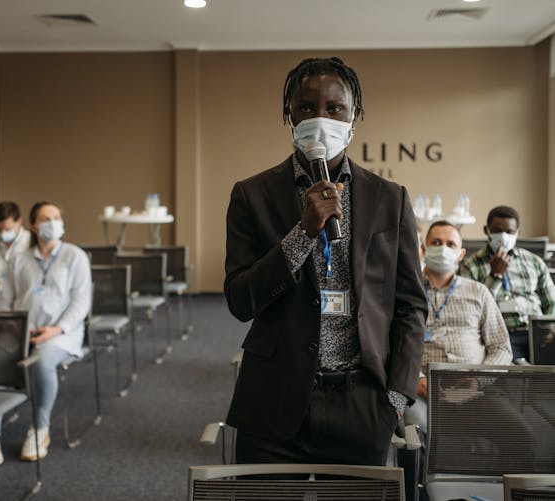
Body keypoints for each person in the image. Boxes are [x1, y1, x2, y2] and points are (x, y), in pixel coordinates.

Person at [224, 56, 426, 466]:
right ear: (289, 115)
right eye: (306, 107)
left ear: (355, 117)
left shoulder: (391, 198)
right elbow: (240, 301)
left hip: (362, 403)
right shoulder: (251, 195)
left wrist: (394, 398)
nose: (321, 118)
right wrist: (304, 233)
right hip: (273, 402)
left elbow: (411, 304)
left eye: (335, 108)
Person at [0, 201, 91, 478]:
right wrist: (14, 327)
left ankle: (39, 429)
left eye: (57, 217)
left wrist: (55, 330)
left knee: (43, 361)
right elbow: (5, 303)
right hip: (20, 332)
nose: (52, 222)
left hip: (60, 334)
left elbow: (81, 303)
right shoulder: (19, 260)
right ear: (33, 226)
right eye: (46, 218)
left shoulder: (75, 256)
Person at [403, 221, 512, 435]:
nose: (443, 248)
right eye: (436, 242)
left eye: (450, 244)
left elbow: (501, 347)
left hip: (474, 388)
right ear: (423, 250)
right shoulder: (406, 291)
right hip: (421, 388)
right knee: (416, 430)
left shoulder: (479, 292)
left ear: (461, 254)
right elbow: (390, 343)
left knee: (521, 434)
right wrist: (417, 379)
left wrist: (478, 379)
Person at [460, 205, 555, 361]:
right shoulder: (470, 266)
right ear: (487, 230)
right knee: (516, 373)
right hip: (500, 335)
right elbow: (472, 311)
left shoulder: (534, 262)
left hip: (536, 333)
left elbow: (551, 302)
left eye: (510, 232)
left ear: (518, 233)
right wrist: (495, 276)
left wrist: (548, 330)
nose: (503, 236)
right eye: (497, 230)